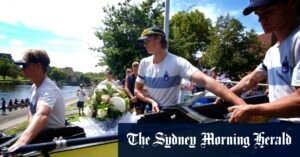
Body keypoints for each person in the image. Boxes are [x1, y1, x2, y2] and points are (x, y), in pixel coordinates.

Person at [220, 0, 300, 123]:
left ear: (292, 2)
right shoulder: (272, 52)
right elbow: (251, 79)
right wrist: (228, 93)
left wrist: (254, 109)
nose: (260, 19)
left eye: (267, 11)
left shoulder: (298, 41)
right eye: (258, 14)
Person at [135, 27, 246, 113]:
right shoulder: (144, 63)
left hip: (168, 114)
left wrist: (241, 104)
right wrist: (151, 101)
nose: (144, 45)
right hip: (149, 111)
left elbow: (205, 80)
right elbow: (137, 90)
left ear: (158, 39)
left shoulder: (177, 62)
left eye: (146, 41)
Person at [9, 49, 65, 151]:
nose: (22, 69)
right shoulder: (35, 87)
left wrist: (20, 144)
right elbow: (31, 110)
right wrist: (29, 130)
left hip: (51, 139)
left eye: (25, 65)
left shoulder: (48, 89)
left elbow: (42, 115)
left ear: (38, 66)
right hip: (40, 136)